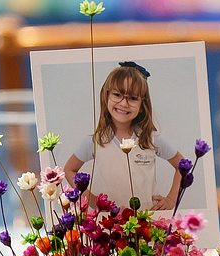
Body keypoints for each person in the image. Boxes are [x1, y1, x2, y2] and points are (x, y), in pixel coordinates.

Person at [63, 61, 184, 211]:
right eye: (117, 94)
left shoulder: (150, 139)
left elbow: (182, 166)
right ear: (106, 96)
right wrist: (94, 201)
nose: (124, 103)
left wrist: (171, 200)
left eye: (132, 98)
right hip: (110, 222)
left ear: (142, 105)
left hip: (147, 220)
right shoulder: (95, 141)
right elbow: (69, 170)